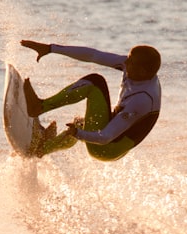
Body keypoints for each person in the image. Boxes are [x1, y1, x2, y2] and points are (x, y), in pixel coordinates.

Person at [19, 40, 162, 161]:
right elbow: (93, 55)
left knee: (95, 83)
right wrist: (50, 48)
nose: (125, 62)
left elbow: (105, 137)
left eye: (130, 62)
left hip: (107, 148)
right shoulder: (137, 69)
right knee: (80, 123)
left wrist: (77, 134)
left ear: (142, 71)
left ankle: (40, 107)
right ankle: (42, 150)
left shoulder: (143, 99)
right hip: (114, 142)